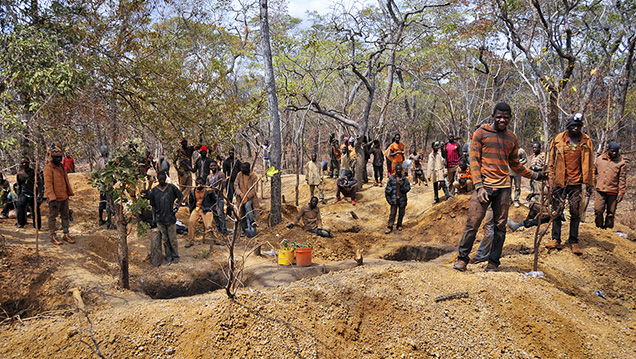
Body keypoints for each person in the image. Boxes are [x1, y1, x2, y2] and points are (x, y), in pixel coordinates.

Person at [454, 102, 543, 272]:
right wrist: (479, 186)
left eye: (506, 117)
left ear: (510, 118)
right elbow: (474, 162)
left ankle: (493, 263)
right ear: (493, 116)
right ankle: (462, 259)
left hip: (503, 188)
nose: (502, 120)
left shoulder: (512, 138)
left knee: (500, 228)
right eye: (499, 117)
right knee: (473, 223)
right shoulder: (480, 133)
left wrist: (536, 175)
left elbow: (515, 164)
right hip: (484, 186)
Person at [546, 113, 594, 255]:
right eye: (573, 126)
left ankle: (573, 241)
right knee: (557, 211)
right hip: (559, 182)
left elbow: (590, 164)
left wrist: (589, 184)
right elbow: (551, 162)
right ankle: (556, 239)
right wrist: (550, 180)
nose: (576, 128)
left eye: (578, 126)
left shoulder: (586, 141)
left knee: (575, 212)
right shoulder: (558, 140)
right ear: (568, 127)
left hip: (577, 183)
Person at [149, 171, 184, 265]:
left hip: (170, 218)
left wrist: (177, 207)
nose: (162, 181)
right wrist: (153, 219)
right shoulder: (154, 191)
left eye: (163, 179)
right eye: (160, 179)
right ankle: (168, 257)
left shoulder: (171, 188)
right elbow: (153, 206)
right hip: (160, 219)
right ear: (157, 179)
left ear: (165, 178)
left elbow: (181, 196)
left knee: (173, 239)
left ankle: (175, 256)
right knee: (165, 239)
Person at [44, 147, 76, 245]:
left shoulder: (61, 167)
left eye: (60, 157)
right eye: (56, 157)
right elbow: (48, 185)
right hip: (55, 198)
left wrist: (68, 193)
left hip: (64, 196)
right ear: (51, 157)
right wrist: (52, 198)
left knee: (65, 216)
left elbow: (65, 180)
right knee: (53, 216)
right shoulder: (48, 169)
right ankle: (53, 235)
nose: (59, 159)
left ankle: (66, 234)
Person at [594, 141, 626, 229]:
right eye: (612, 151)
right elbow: (593, 173)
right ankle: (599, 227)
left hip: (613, 191)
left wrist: (621, 192)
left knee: (611, 213)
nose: (614, 153)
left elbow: (622, 179)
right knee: (598, 210)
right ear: (608, 150)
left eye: (616, 151)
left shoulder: (621, 163)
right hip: (601, 190)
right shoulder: (600, 159)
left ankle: (608, 229)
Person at [186, 178, 217, 248]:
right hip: (197, 209)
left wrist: (211, 208)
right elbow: (190, 202)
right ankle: (191, 240)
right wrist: (192, 210)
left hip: (206, 209)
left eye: (200, 184)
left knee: (208, 226)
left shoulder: (209, 191)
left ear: (204, 184)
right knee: (191, 222)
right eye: (197, 184)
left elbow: (215, 200)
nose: (199, 185)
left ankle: (216, 240)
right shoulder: (192, 191)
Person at [16, 158, 42, 229]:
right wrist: (18, 195)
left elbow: (40, 183)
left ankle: (37, 225)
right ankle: (21, 223)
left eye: (26, 162)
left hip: (33, 193)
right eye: (22, 163)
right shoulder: (20, 174)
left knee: (35, 210)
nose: (24, 164)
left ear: (29, 163)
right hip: (24, 193)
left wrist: (39, 194)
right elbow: (18, 185)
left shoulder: (34, 172)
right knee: (20, 207)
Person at [385, 164, 411, 234]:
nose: (399, 171)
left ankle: (399, 225)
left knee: (401, 213)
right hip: (394, 199)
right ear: (395, 170)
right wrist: (389, 200)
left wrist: (402, 185)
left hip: (402, 199)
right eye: (397, 169)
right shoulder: (391, 179)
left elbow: (408, 188)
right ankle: (389, 226)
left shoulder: (405, 180)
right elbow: (387, 191)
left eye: (400, 169)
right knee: (392, 214)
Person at [234, 162, 259, 233]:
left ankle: (252, 221)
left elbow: (254, 189)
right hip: (241, 198)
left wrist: (247, 197)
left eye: (244, 168)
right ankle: (244, 230)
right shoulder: (239, 175)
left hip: (250, 197)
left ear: (248, 168)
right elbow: (235, 185)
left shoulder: (253, 176)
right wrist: (241, 194)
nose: (242, 169)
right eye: (242, 168)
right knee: (241, 213)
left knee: (248, 206)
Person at [95, 145, 113, 228]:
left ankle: (100, 220)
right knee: (109, 203)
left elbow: (96, 173)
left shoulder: (99, 161)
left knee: (102, 202)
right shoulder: (110, 161)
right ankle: (109, 222)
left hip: (102, 186)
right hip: (108, 186)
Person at [207, 160, 228, 234]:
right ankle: (218, 226)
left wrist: (221, 183)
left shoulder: (221, 174)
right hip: (212, 198)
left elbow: (223, 184)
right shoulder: (209, 177)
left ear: (217, 166)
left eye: (214, 165)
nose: (213, 167)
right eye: (211, 166)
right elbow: (207, 186)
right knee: (214, 213)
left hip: (219, 196)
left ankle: (223, 229)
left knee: (220, 213)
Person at [175, 138, 195, 205]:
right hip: (182, 171)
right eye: (183, 142)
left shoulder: (190, 149)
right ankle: (184, 201)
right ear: (181, 143)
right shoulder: (179, 151)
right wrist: (178, 170)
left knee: (189, 186)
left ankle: (181, 199)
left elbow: (198, 146)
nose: (185, 143)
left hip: (188, 171)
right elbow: (174, 161)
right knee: (182, 187)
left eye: (185, 142)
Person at [223, 149, 242, 215]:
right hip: (229, 182)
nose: (231, 154)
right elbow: (224, 172)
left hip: (237, 182)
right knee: (229, 197)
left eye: (232, 153)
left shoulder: (237, 161)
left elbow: (240, 171)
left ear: (234, 153)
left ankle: (239, 213)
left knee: (238, 196)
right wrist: (225, 181)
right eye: (230, 153)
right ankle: (228, 213)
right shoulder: (226, 162)